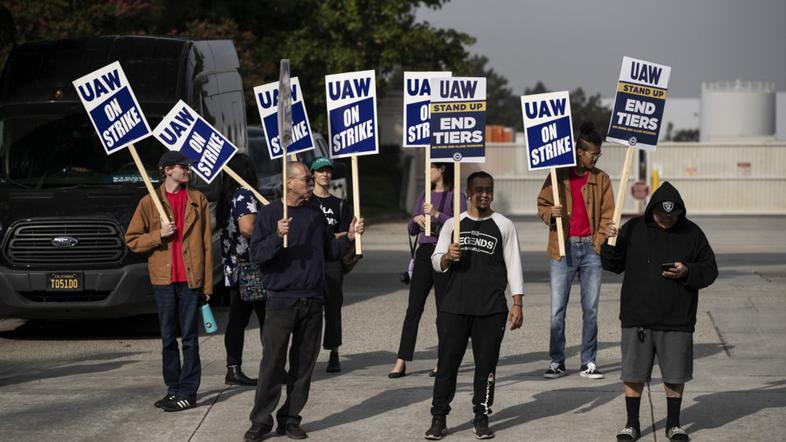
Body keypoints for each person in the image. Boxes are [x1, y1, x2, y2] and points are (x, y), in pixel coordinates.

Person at [244, 162, 364, 441]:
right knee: (272, 364)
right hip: (281, 300)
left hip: (312, 299)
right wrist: (276, 236)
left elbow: (330, 250)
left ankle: (291, 419)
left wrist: (349, 236)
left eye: (312, 179)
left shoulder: (313, 213)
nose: (312, 182)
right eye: (307, 179)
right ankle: (261, 421)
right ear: (288, 182)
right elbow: (257, 255)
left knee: (303, 365)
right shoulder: (270, 214)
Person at [602, 182, 718, 442]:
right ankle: (631, 424)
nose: (667, 220)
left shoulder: (692, 233)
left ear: (680, 213)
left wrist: (687, 270)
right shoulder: (633, 228)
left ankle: (674, 424)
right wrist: (609, 240)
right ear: (651, 210)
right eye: (661, 215)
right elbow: (612, 264)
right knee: (633, 373)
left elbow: (710, 270)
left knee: (675, 374)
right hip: (637, 317)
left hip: (677, 318)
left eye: (672, 216)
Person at [425, 171, 524, 440]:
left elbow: (514, 264)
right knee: (447, 365)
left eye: (488, 189)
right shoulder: (453, 225)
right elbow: (435, 260)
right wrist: (447, 256)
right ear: (468, 193)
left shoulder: (503, 225)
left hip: (491, 309)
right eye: (479, 189)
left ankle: (481, 415)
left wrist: (517, 302)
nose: (484, 194)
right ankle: (439, 417)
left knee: (486, 367)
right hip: (454, 307)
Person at [125, 150, 212, 412]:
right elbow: (132, 240)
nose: (187, 170)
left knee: (190, 338)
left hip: (190, 279)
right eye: (182, 167)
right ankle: (173, 389)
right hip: (163, 280)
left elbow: (206, 244)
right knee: (167, 338)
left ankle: (188, 391)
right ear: (167, 170)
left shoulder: (198, 200)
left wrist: (207, 285)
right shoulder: (148, 202)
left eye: (187, 167)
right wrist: (158, 235)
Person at [536, 122, 614, 380]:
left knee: (590, 309)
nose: (596, 157)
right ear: (580, 152)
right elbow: (542, 204)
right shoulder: (558, 174)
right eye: (593, 153)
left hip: (591, 249)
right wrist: (551, 213)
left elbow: (607, 214)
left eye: (598, 153)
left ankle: (588, 361)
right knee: (557, 310)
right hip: (562, 247)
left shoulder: (601, 179)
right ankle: (556, 361)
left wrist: (599, 241)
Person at [390, 162, 466, 378]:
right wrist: (416, 219)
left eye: (430, 167)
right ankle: (401, 360)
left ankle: (443, 359)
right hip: (423, 252)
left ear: (441, 169)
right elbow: (412, 229)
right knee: (413, 308)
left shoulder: (456, 195)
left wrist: (436, 214)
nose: (425, 172)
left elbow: (460, 225)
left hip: (444, 254)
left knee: (443, 310)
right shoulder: (425, 193)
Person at [217, 153, 266, 386]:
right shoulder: (244, 195)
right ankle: (272, 368)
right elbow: (247, 228)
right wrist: (273, 232)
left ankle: (233, 368)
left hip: (234, 267)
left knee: (237, 319)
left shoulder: (226, 198)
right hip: (251, 268)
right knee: (268, 319)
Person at [309, 156, 353, 373]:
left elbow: (347, 234)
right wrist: (333, 235)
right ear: (313, 175)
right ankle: (308, 352)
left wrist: (336, 237)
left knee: (333, 308)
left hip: (332, 262)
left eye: (328, 171)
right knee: (310, 309)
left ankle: (334, 352)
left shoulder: (340, 204)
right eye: (320, 171)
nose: (325, 174)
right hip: (310, 261)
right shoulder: (306, 203)